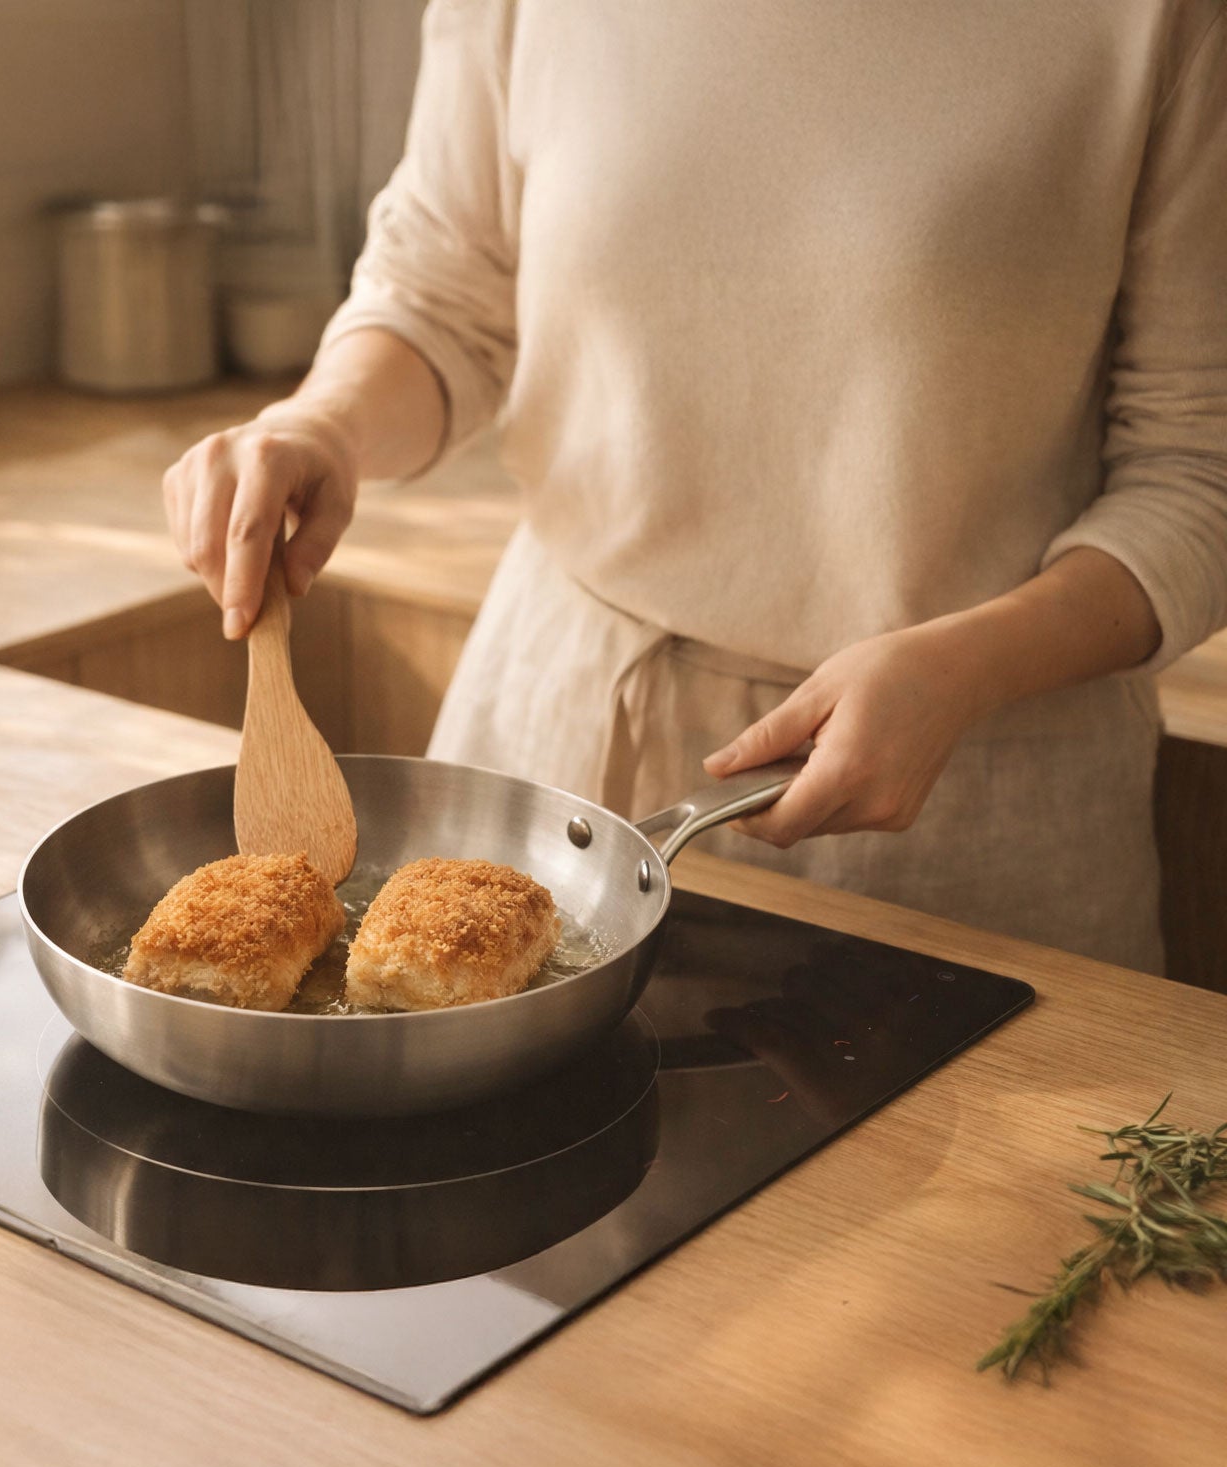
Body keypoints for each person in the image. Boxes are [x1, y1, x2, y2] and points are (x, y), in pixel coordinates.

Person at [164, 1, 1227, 971]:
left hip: (970, 793)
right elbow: (441, 294)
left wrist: (963, 671)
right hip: (557, 747)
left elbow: (1197, 471)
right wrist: (324, 421)